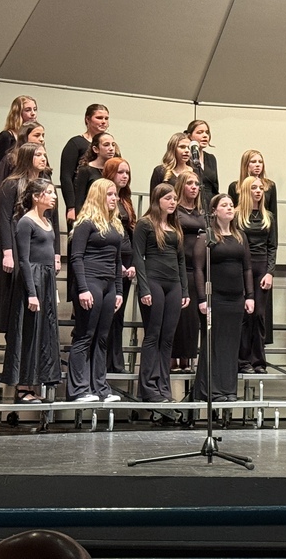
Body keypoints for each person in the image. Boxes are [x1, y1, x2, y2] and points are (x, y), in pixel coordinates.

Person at [0, 178, 61, 403]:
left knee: (42, 333)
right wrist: (32, 292)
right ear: (36, 196)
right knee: (28, 333)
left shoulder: (47, 221)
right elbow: (23, 260)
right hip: (32, 279)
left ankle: (35, 382)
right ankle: (23, 387)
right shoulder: (25, 222)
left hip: (46, 278)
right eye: (49, 193)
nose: (54, 197)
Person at [194, 194, 254, 402]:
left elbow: (247, 268)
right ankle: (211, 390)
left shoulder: (240, 236)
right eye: (224, 205)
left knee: (231, 344)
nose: (229, 208)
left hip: (236, 299)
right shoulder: (207, 237)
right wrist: (202, 298)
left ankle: (228, 390)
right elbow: (199, 270)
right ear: (214, 211)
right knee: (214, 344)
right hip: (215, 298)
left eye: (231, 205)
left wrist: (250, 296)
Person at [67, 178, 123, 402]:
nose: (114, 199)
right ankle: (79, 389)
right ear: (99, 195)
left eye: (115, 195)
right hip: (89, 282)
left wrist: (118, 290)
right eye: (110, 194)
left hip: (109, 285)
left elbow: (118, 261)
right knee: (85, 335)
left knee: (102, 337)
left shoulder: (115, 225)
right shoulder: (85, 223)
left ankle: (100, 387)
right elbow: (76, 257)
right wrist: (82, 288)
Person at [133, 184, 190, 402]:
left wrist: (184, 289)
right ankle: (148, 387)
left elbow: (181, 260)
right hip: (153, 282)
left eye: (175, 198)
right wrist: (144, 288)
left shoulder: (175, 227)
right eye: (169, 198)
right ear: (158, 200)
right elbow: (138, 257)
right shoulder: (145, 224)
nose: (173, 202)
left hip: (173, 284)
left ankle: (163, 388)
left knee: (168, 338)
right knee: (153, 335)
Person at [0, 143, 50, 333]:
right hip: (15, 244)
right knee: (15, 288)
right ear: (26, 157)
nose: (43, 158)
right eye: (38, 154)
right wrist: (7, 251)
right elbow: (4, 218)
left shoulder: (45, 185)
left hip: (37, 245)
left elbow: (51, 219)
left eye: (44, 154)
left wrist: (55, 254)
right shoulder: (11, 183)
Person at [237, 175, 277, 375]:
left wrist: (270, 273)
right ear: (246, 191)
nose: (259, 191)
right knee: (245, 314)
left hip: (262, 267)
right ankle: (242, 360)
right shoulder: (237, 216)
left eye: (261, 187)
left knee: (259, 316)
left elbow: (272, 246)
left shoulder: (268, 216)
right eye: (254, 188)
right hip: (242, 267)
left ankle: (259, 361)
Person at [101, 156, 136, 373]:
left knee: (119, 315)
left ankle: (116, 361)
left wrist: (132, 264)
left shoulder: (126, 200)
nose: (124, 176)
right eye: (120, 172)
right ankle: (104, 361)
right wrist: (117, 264)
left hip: (127, 260)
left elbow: (131, 234)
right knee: (108, 314)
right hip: (111, 261)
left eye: (127, 173)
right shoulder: (104, 199)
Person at [170, 172, 205, 373]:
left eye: (197, 184)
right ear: (181, 186)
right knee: (180, 315)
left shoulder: (201, 212)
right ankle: (173, 360)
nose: (194, 187)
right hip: (179, 266)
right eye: (189, 183)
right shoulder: (176, 211)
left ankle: (187, 360)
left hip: (197, 269)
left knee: (192, 318)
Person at [60, 104, 109, 230]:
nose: (103, 122)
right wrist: (71, 207)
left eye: (106, 118)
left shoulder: (109, 146)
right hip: (81, 201)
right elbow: (66, 177)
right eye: (99, 118)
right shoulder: (75, 143)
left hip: (103, 202)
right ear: (87, 119)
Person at [0, 95, 37, 182]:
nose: (33, 113)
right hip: (10, 186)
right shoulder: (6, 137)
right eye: (28, 110)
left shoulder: (33, 137)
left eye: (35, 109)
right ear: (18, 113)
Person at [73, 132, 116, 216]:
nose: (111, 148)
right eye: (106, 145)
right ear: (96, 149)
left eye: (113, 145)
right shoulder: (86, 170)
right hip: (91, 214)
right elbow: (79, 200)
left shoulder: (115, 169)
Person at [0, 120, 46, 186]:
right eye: (36, 135)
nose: (42, 139)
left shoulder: (42, 159)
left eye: (43, 135)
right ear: (25, 137)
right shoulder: (10, 159)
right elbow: (0, 186)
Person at [230, 148, 279, 218]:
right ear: (245, 164)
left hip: (263, 225)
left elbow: (273, 213)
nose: (257, 165)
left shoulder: (270, 186)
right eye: (253, 162)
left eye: (260, 162)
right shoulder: (235, 186)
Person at [185, 119, 219, 207]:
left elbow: (215, 188)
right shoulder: (185, 157)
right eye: (200, 132)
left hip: (209, 206)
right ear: (190, 136)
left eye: (207, 132)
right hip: (191, 204)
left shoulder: (211, 158)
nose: (205, 136)